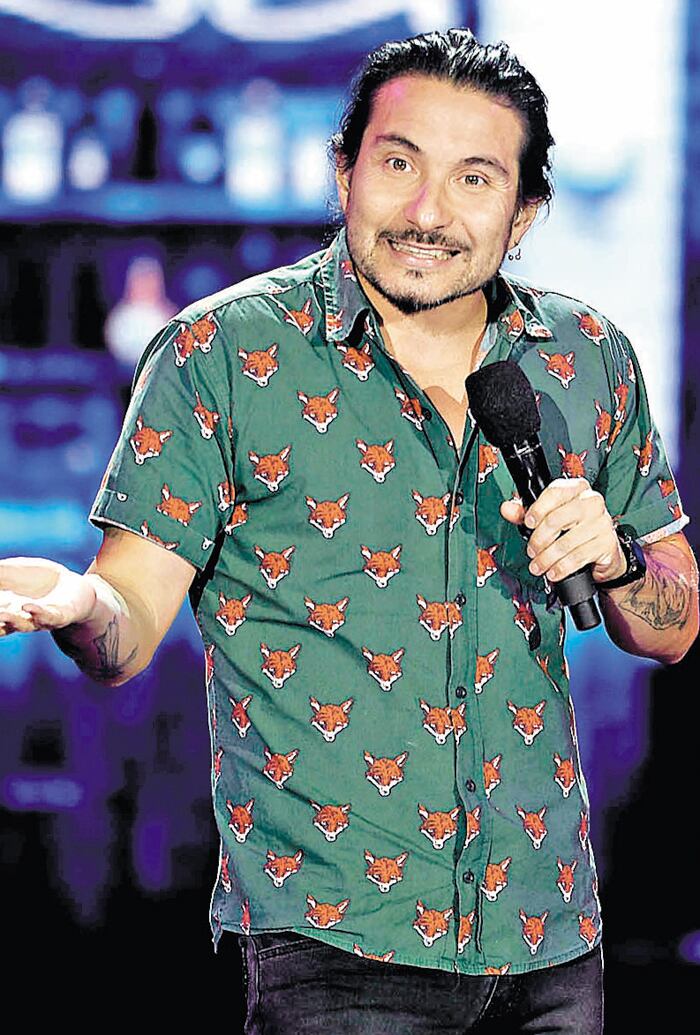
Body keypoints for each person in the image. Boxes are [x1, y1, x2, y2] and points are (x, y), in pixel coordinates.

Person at [1, 27, 697, 1035]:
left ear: (525, 211)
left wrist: (619, 559)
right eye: (398, 164)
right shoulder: (220, 354)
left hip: (549, 942)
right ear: (343, 171)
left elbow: (674, 625)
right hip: (331, 953)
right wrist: (76, 604)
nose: (427, 212)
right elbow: (126, 626)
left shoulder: (588, 354)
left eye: (473, 178)